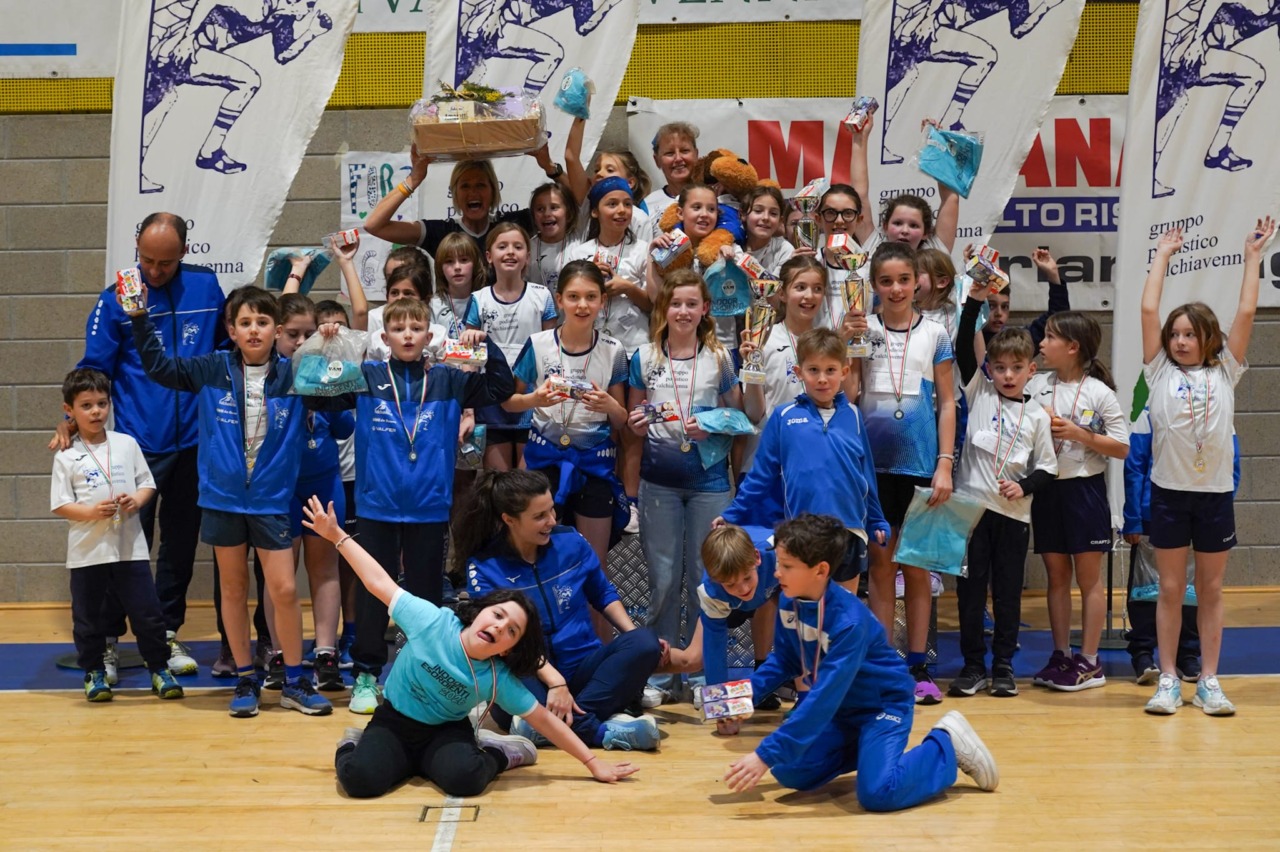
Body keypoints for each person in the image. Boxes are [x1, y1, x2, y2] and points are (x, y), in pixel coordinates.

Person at [299, 497, 639, 798]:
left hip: (446, 732)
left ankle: (501, 753)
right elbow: (378, 582)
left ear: (509, 648)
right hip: (394, 722)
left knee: (466, 779)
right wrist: (337, 537)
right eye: (498, 615)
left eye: (511, 630)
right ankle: (355, 746)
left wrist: (593, 763)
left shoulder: (497, 676)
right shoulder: (432, 621)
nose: (499, 627)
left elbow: (545, 721)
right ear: (480, 613)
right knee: (360, 781)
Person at [128, 284, 333, 718]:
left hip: (272, 499)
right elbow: (160, 369)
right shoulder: (213, 368)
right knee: (233, 589)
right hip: (222, 498)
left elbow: (347, 395)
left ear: (277, 329)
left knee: (283, 589)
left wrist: (333, 345)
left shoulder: (297, 373)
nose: (254, 330)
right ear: (231, 330)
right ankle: (245, 677)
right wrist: (140, 319)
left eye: (262, 322)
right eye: (245, 323)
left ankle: (295, 679)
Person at [312, 297, 515, 715]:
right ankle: (366, 675)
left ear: (429, 335)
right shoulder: (367, 376)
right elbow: (315, 391)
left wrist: (486, 345)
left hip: (429, 506)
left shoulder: (448, 379)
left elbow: (502, 388)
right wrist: (324, 344)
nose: (407, 334)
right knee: (373, 595)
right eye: (399, 329)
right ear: (384, 338)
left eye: (415, 327)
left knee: (424, 599)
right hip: (377, 506)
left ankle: (421, 673)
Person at [721, 514, 998, 810]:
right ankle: (870, 752)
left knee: (877, 794)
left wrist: (763, 754)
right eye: (778, 563)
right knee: (790, 769)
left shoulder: (848, 623)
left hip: (881, 706)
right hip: (844, 710)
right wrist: (740, 696)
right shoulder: (791, 599)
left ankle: (945, 745)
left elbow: (823, 698)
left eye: (786, 566)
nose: (777, 573)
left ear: (821, 570)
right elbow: (786, 660)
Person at [59, 212, 225, 678]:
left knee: (178, 544)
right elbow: (94, 369)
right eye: (147, 260)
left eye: (166, 263)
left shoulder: (206, 289)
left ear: (184, 254)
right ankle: (109, 641)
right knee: (123, 543)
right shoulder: (116, 297)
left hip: (194, 440)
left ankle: (166, 634)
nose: (154, 271)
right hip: (135, 443)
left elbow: (225, 354)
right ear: (136, 247)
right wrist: (69, 419)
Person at [1137, 218, 1273, 715]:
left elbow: (1247, 309)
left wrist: (1253, 258)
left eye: (1190, 334)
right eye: (1175, 334)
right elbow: (1149, 306)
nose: (1180, 341)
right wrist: (1163, 256)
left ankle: (1210, 680)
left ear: (1208, 339)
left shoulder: (1226, 370)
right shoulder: (1157, 372)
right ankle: (1168, 678)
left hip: (1214, 495)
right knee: (1171, 589)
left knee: (1211, 589)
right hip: (1169, 493)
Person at [457, 470, 666, 752]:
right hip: (527, 672)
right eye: (540, 516)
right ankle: (600, 731)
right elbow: (504, 644)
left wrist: (632, 637)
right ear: (509, 520)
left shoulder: (571, 542)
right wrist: (555, 682)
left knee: (645, 642)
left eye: (552, 509)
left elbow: (603, 593)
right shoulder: (484, 567)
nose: (552, 521)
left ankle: (542, 728)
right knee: (510, 691)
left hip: (582, 669)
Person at [628, 270, 743, 704]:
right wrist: (637, 424)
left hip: (711, 483)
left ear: (705, 309)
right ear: (664, 309)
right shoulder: (642, 358)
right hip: (658, 483)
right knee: (661, 580)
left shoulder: (722, 358)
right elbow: (631, 422)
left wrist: (711, 426)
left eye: (691, 304)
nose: (683, 311)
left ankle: (700, 673)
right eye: (675, 304)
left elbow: (742, 419)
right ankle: (659, 675)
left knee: (705, 579)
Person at [857, 243, 956, 705]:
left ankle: (918, 665)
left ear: (918, 280)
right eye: (885, 281)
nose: (896, 289)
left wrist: (944, 464)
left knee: (916, 570)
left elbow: (948, 401)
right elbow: (851, 392)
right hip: (873, 468)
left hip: (921, 466)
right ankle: (881, 666)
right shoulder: (865, 330)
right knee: (881, 568)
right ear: (874, 285)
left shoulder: (935, 332)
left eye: (903, 279)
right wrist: (850, 339)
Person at [718, 327, 888, 591]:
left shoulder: (853, 416)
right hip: (801, 535)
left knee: (842, 617)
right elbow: (761, 476)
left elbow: (866, 476)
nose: (822, 379)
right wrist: (732, 514)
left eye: (830, 370)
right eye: (813, 370)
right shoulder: (784, 417)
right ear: (799, 373)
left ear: (844, 372)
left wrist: (876, 520)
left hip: (850, 533)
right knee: (803, 620)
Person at [51, 367, 184, 703]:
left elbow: (147, 484)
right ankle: (94, 672)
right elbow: (61, 504)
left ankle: (159, 668)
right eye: (86, 406)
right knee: (89, 617)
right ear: (69, 410)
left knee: (147, 613)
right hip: (87, 552)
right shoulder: (66, 454)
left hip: (130, 549)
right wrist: (91, 513)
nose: (96, 411)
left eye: (101, 403)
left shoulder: (127, 443)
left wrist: (135, 502)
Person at [952, 280, 1058, 698]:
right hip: (972, 512)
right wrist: (974, 300)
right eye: (1000, 368)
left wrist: (1024, 487)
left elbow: (1047, 467)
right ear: (989, 370)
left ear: (1032, 370)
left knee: (1008, 592)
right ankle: (973, 665)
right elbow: (964, 344)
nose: (1008, 375)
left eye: (1017, 368)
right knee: (970, 592)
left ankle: (1003, 666)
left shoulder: (1037, 415)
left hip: (1013, 516)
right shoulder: (977, 391)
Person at [1025, 312, 1129, 691]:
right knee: (1056, 576)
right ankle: (1060, 654)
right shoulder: (1036, 385)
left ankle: (1089, 660)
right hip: (1047, 489)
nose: (1041, 342)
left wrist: (1078, 433)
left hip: (1084, 491)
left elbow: (1121, 447)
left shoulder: (1099, 392)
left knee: (1088, 580)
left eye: (1050, 337)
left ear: (1072, 347)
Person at [503, 261, 630, 571]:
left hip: (594, 464)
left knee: (593, 567)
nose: (582, 305)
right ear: (559, 300)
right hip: (542, 462)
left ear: (603, 301)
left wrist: (609, 406)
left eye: (591, 296)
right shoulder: (538, 344)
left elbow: (622, 418)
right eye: (573, 297)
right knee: (535, 561)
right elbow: (508, 402)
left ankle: (593, 622)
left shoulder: (614, 350)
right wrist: (536, 398)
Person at [1121, 403, 1233, 683]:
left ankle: (1188, 654)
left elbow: (1233, 464)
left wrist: (1218, 510)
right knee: (1146, 590)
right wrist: (1133, 517)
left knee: (1193, 591)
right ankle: (1143, 652)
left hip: (1202, 517)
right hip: (1155, 514)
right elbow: (1134, 466)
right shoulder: (1151, 413)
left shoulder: (1218, 410)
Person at [464, 223, 560, 471]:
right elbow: (470, 361)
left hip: (531, 398)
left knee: (527, 484)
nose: (510, 252)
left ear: (527, 257)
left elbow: (553, 351)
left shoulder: (542, 296)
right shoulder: (479, 299)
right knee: (497, 482)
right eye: (502, 246)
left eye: (518, 247)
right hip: (491, 400)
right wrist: (468, 411)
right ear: (488, 256)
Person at [363, 149, 567, 259]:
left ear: (493, 190)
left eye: (480, 185)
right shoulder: (441, 231)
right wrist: (414, 179)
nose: (473, 193)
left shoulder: (512, 225)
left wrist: (549, 167)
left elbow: (577, 202)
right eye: (465, 186)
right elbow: (374, 225)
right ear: (454, 193)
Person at [737, 256, 832, 473]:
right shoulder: (764, 341)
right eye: (800, 287)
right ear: (782, 293)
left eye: (817, 288)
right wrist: (753, 369)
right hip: (769, 464)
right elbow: (753, 414)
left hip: (813, 464)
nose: (809, 296)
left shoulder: (828, 343)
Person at [643, 122, 700, 224]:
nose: (678, 158)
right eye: (669, 153)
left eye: (684, 151)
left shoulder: (714, 195)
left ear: (696, 154)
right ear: (657, 160)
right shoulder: (647, 205)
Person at [527, 182, 577, 290]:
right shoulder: (527, 248)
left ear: (568, 213)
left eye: (554, 207)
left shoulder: (578, 242)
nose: (547, 214)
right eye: (540, 209)